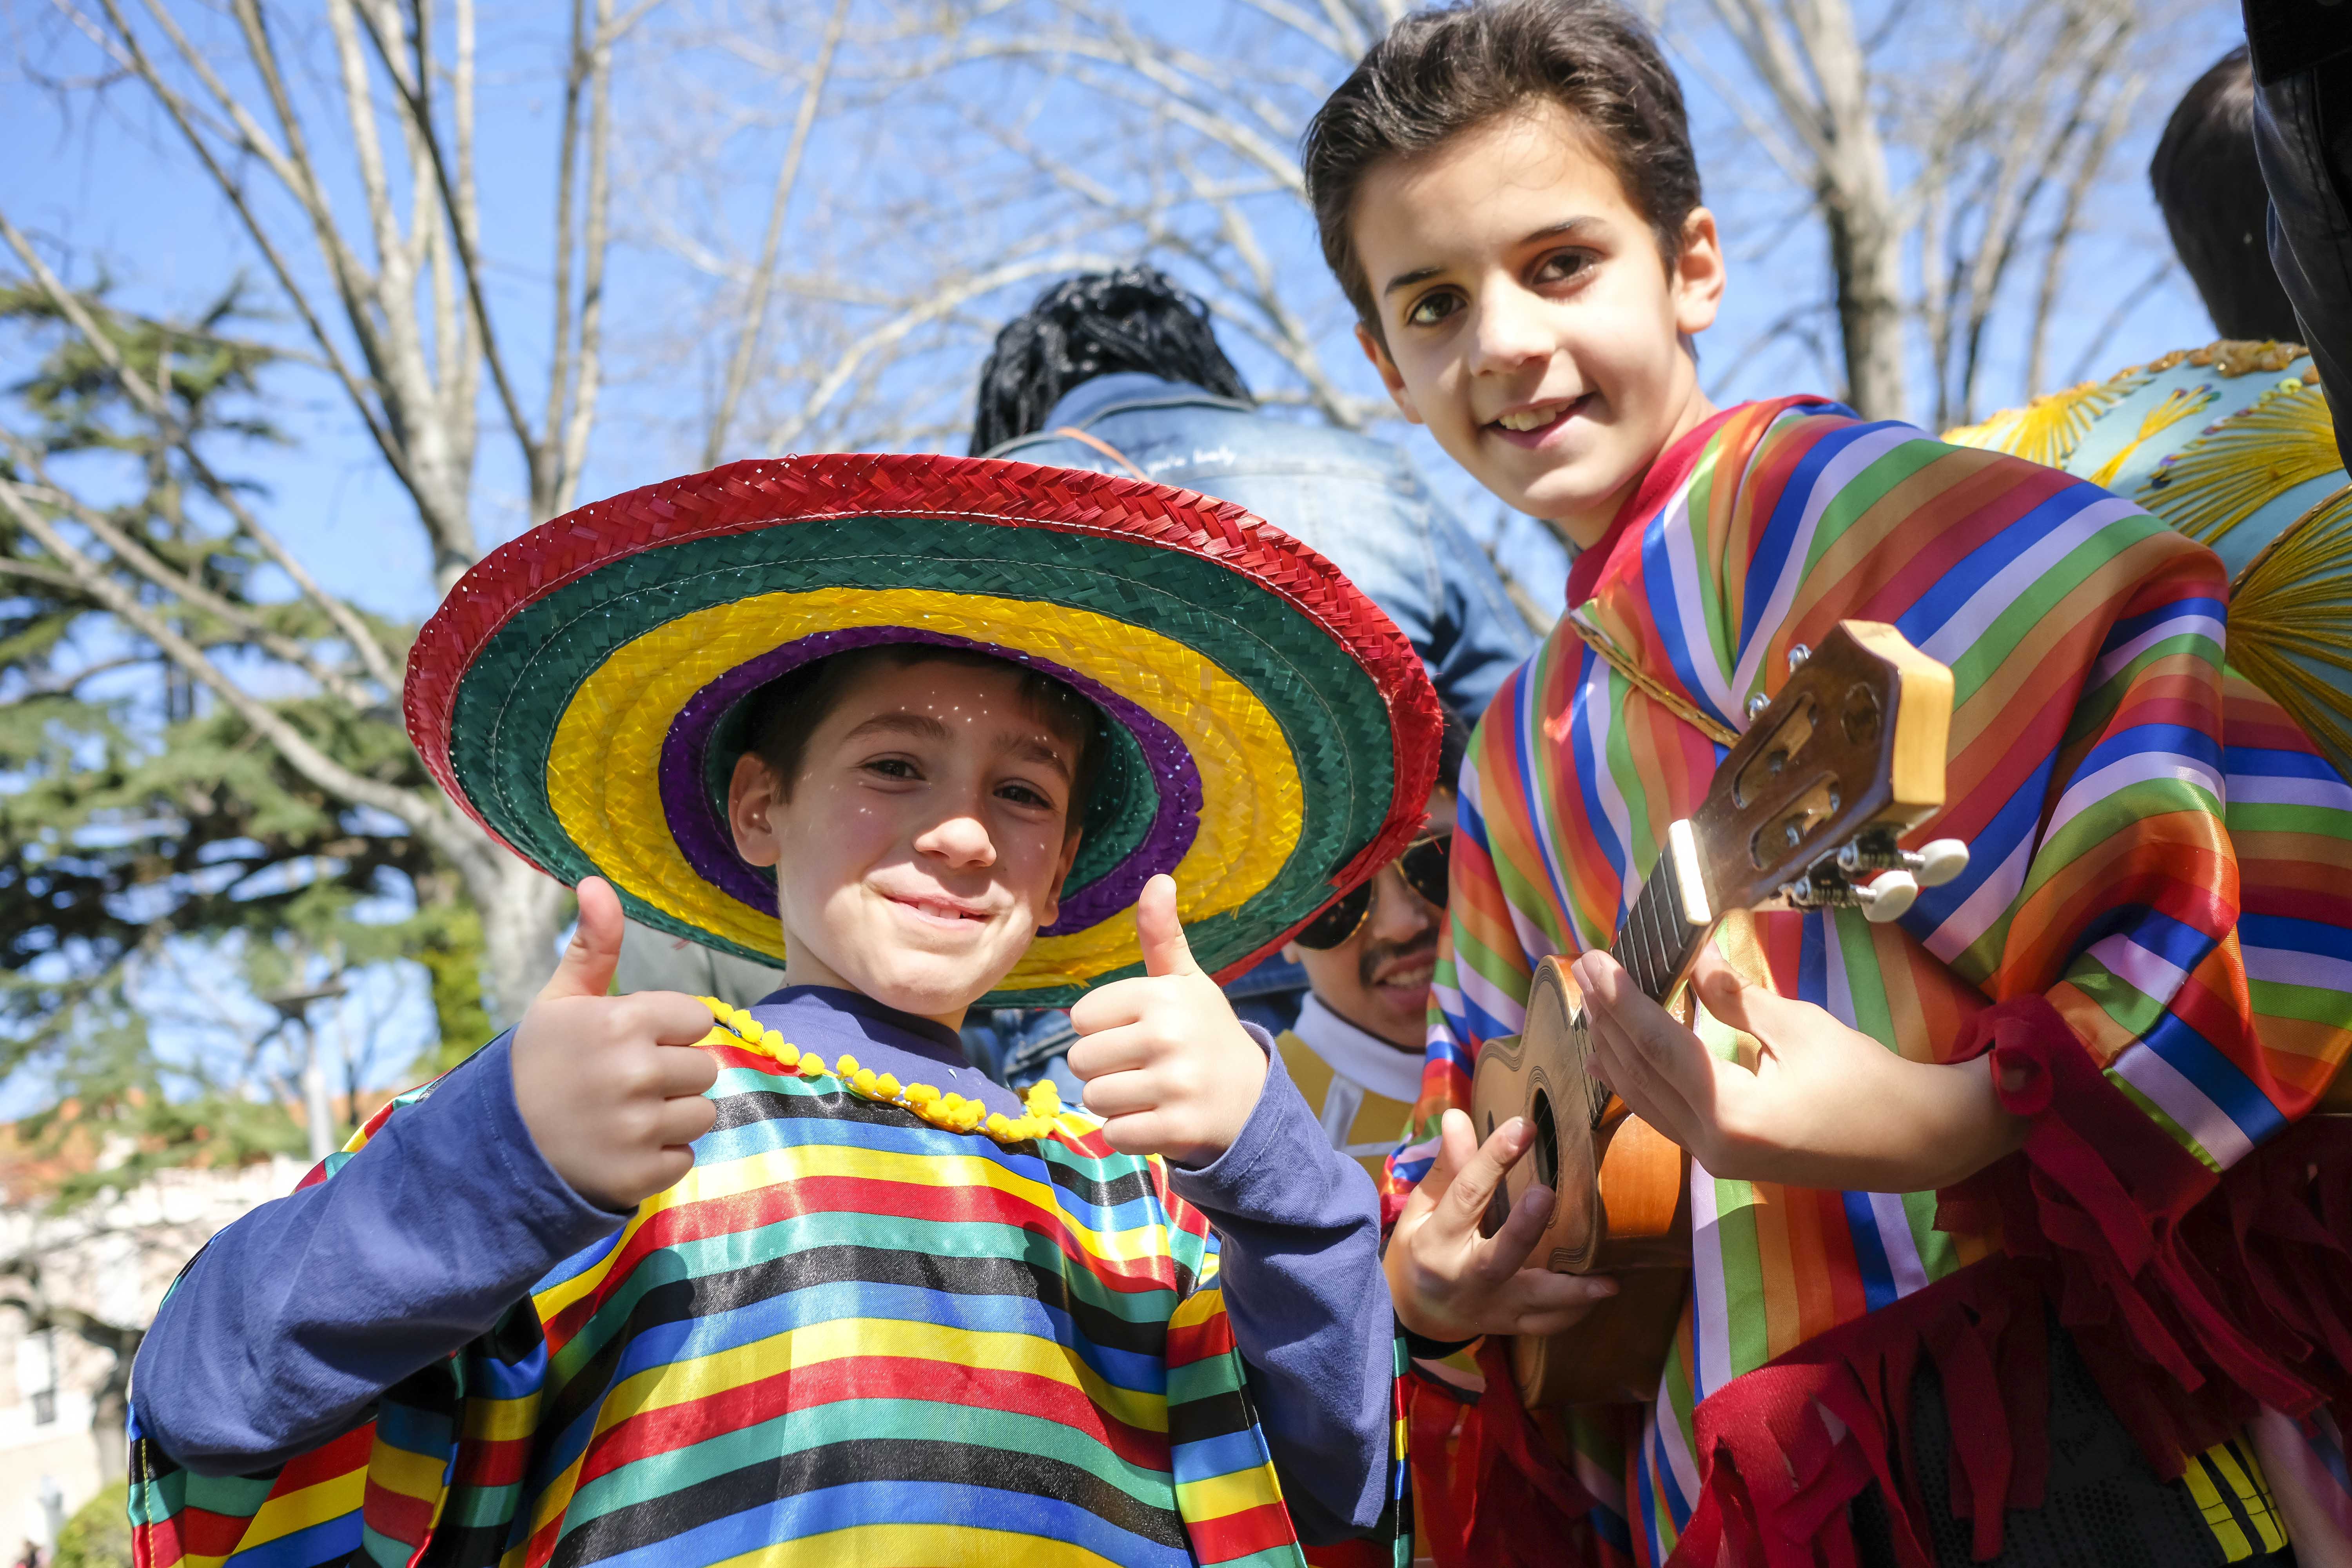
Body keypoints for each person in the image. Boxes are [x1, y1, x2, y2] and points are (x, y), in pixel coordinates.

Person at [1299, 3, 2352, 1565]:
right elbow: (1470, 1095)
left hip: (2031, 1431)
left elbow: (2231, 821)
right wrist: (1444, 1283)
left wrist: (1949, 1117)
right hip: (1741, 1466)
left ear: (1695, 267)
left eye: (1561, 263)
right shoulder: (1519, 729)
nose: (1505, 340)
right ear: (1387, 365)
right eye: (1437, 304)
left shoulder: (1811, 503)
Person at [123, 455, 1432, 1564]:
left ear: (1070, 856)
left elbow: (1342, 1503)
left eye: (1025, 793)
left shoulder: (1140, 1208)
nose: (968, 833)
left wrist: (1275, 1171)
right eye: (895, 766)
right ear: (760, 806)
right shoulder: (610, 1126)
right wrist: (496, 1159)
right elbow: (213, 1397)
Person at [965, 266, 1537, 1074]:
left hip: (1107, 1009)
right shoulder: (1371, 476)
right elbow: (1531, 736)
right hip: (1403, 968)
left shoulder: (979, 510)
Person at [1273, 704, 1468, 1182]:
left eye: (1435, 863)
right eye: (1342, 895)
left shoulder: (1587, 1035)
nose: (1400, 924)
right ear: (1276, 932)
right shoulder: (1254, 1139)